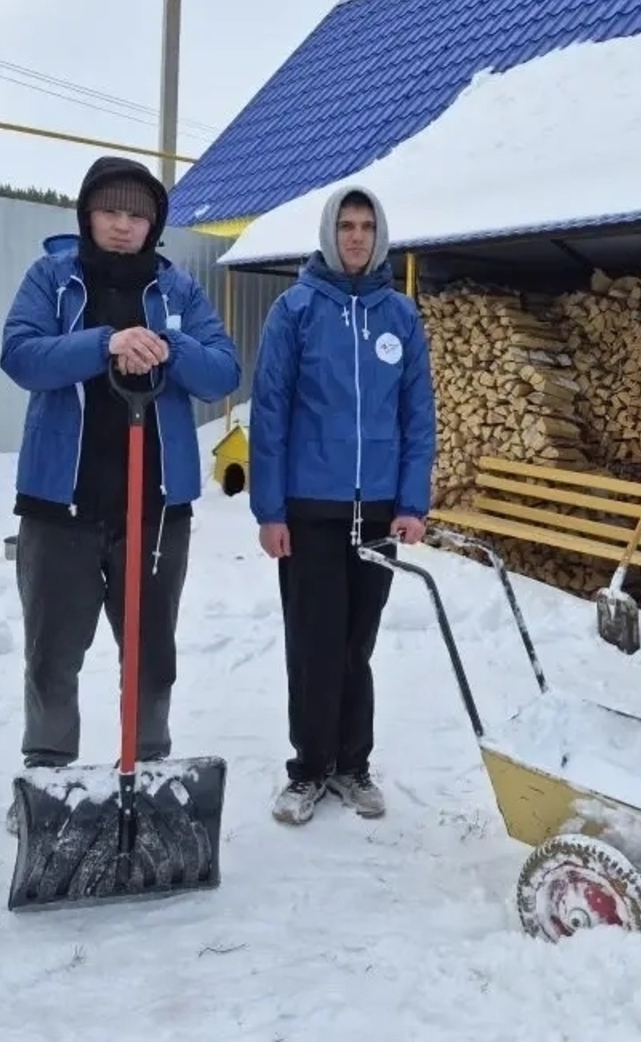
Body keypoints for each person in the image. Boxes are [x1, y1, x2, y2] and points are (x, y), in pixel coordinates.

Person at [0, 156, 240, 789]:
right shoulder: (51, 279)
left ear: (154, 224)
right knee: (53, 655)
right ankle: (48, 777)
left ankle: (148, 768)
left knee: (151, 654)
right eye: (110, 211)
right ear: (87, 215)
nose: (123, 226)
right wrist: (104, 342)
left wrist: (168, 343)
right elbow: (21, 356)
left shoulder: (179, 291)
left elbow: (222, 372)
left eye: (138, 215)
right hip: (63, 502)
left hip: (156, 508)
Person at [249, 184, 437, 826]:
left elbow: (418, 416)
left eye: (366, 226)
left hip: (379, 511)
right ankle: (308, 770)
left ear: (378, 236)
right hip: (310, 511)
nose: (356, 236)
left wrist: (411, 501)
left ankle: (353, 766)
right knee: (312, 643)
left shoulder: (400, 316)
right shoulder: (295, 310)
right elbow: (269, 413)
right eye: (346, 226)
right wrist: (270, 510)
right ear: (329, 234)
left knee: (358, 644)